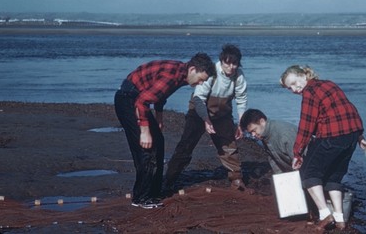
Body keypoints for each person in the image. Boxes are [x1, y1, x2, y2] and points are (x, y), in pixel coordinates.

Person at [114, 53, 216, 209]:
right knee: (147, 149)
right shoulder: (172, 75)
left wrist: (159, 120)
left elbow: (160, 96)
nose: (200, 84)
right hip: (128, 100)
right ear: (193, 69)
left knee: (159, 142)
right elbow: (142, 102)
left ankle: (154, 192)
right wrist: (145, 131)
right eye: (201, 79)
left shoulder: (182, 75)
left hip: (138, 99)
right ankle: (141, 198)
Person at [280, 65, 366, 231]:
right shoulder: (329, 84)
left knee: (308, 174)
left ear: (303, 75)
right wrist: (359, 136)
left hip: (332, 136)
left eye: (294, 83)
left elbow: (306, 125)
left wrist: (297, 153)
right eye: (289, 88)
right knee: (333, 177)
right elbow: (350, 109)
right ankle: (340, 219)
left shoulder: (310, 92)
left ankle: (324, 214)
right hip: (350, 137)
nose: (293, 89)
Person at [164, 44, 248, 193]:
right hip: (198, 111)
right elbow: (199, 99)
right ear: (222, 61)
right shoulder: (212, 72)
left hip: (222, 114)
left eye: (234, 63)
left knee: (229, 146)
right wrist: (206, 120)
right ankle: (169, 180)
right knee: (186, 146)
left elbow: (241, 100)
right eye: (227, 63)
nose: (231, 67)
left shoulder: (239, 76)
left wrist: (241, 123)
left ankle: (236, 179)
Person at [239, 108, 296, 174]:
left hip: (306, 169)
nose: (253, 135)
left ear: (262, 121)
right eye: (250, 133)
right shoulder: (264, 135)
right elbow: (274, 160)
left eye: (254, 130)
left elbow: (301, 161)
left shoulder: (284, 134)